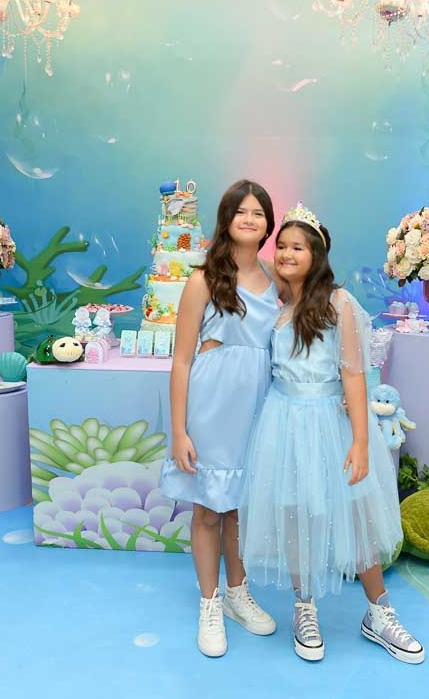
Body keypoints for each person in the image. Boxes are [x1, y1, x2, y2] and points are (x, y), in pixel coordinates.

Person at [239, 203, 424, 664]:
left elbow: (354, 376)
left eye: (298, 247)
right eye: (282, 246)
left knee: (355, 512)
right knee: (296, 511)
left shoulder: (338, 303)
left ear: (317, 255)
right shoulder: (279, 303)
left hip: (329, 421)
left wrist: (361, 441)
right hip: (283, 421)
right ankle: (304, 607)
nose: (286, 254)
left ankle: (379, 612)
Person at [160, 179, 284, 658]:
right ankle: (209, 603)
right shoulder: (203, 280)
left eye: (258, 213)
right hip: (212, 404)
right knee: (209, 507)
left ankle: (238, 593)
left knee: (240, 506)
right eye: (241, 211)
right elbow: (182, 361)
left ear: (268, 224)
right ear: (226, 218)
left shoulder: (275, 277)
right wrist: (179, 430)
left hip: (259, 404)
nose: (249, 220)